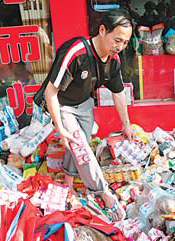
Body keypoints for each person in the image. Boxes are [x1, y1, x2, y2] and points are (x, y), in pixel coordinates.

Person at [42, 8, 134, 221]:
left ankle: (68, 184)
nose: (120, 47)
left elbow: (118, 93)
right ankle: (104, 193)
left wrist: (126, 124)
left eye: (125, 43)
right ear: (102, 30)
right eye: (117, 40)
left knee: (78, 145)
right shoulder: (76, 52)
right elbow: (50, 91)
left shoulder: (113, 60)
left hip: (83, 104)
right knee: (81, 148)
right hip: (61, 104)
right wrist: (61, 127)